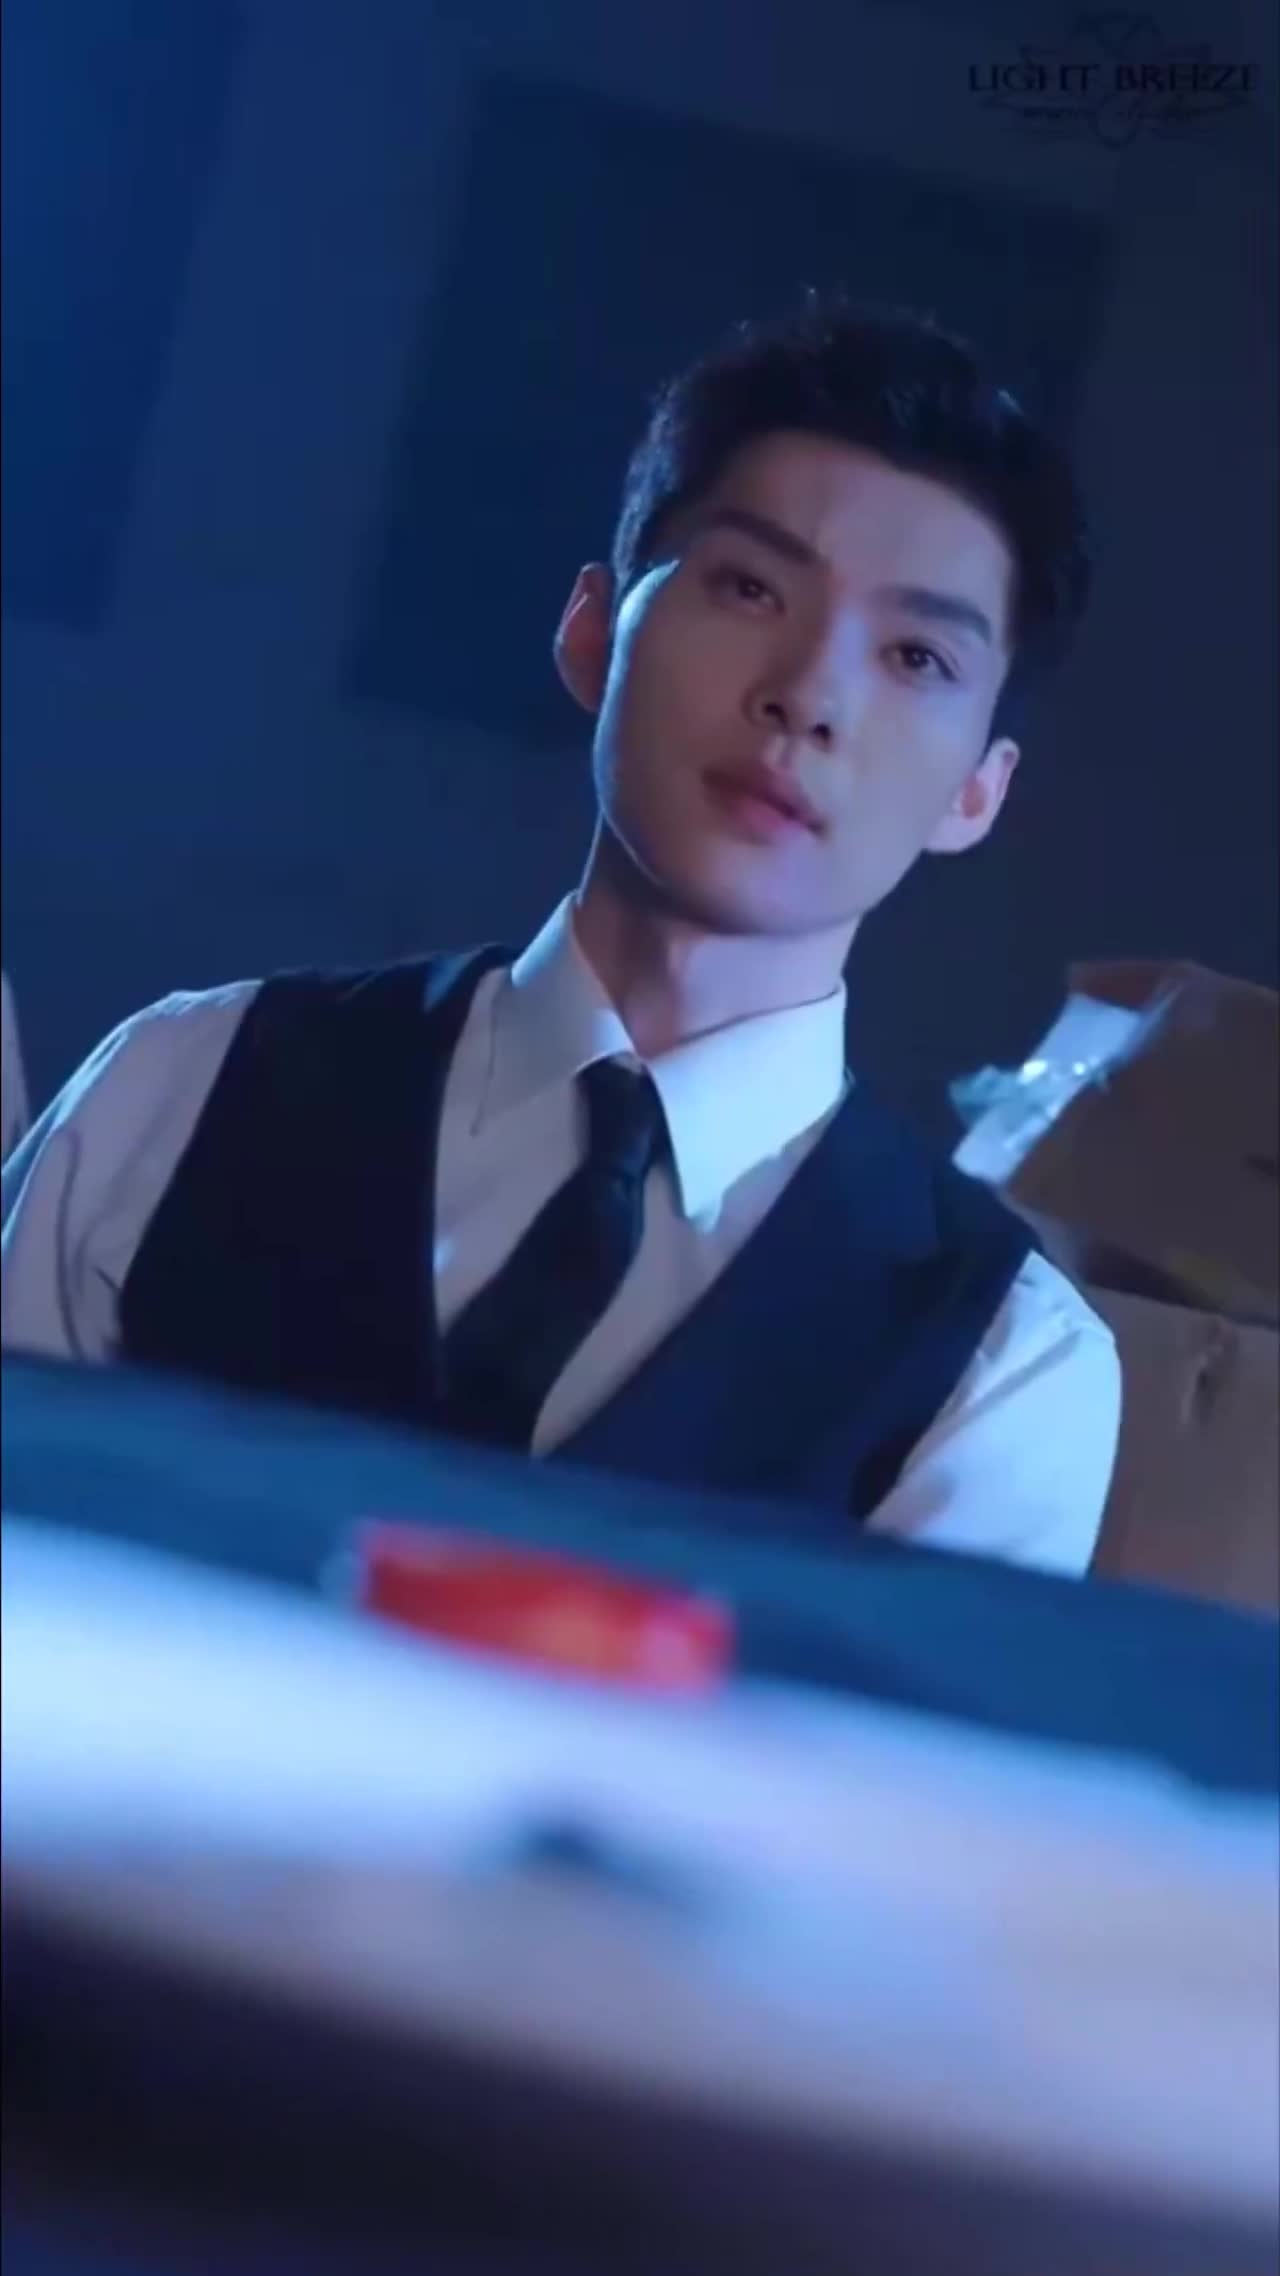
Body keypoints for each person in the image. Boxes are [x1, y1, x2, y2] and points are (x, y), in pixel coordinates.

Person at [1, 296, 1120, 1574]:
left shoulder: (1002, 1367)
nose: (808, 694)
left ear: (976, 790)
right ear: (593, 631)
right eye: (750, 586)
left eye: (915, 657)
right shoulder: (183, 1082)